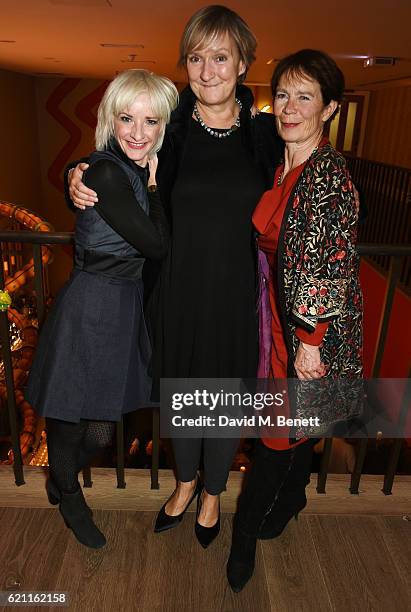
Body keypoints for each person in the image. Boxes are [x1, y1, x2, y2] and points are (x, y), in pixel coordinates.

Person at [66, 5, 282, 548]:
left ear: (242, 63)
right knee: (182, 394)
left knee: (226, 397)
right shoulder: (173, 128)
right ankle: (184, 485)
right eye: (196, 58)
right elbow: (121, 152)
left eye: (220, 57)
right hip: (176, 291)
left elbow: (309, 182)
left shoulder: (265, 137)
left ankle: (213, 492)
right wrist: (77, 173)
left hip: (237, 295)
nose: (207, 71)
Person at [226, 49, 363, 592]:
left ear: (329, 108)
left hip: (304, 331)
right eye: (282, 94)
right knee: (293, 430)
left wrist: (310, 342)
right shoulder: (281, 162)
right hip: (273, 317)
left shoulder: (329, 177)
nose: (288, 106)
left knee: (275, 439)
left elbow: (329, 264)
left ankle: (243, 537)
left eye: (304, 96)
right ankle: (294, 498)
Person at [26, 69, 178, 549]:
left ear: (163, 126)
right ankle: (69, 493)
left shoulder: (129, 166)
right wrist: (152, 191)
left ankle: (62, 476)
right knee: (72, 410)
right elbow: (156, 244)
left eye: (150, 121)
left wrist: (85, 169)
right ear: (110, 121)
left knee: (99, 429)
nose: (138, 132)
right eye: (126, 118)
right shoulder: (112, 171)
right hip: (92, 302)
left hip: (122, 305)